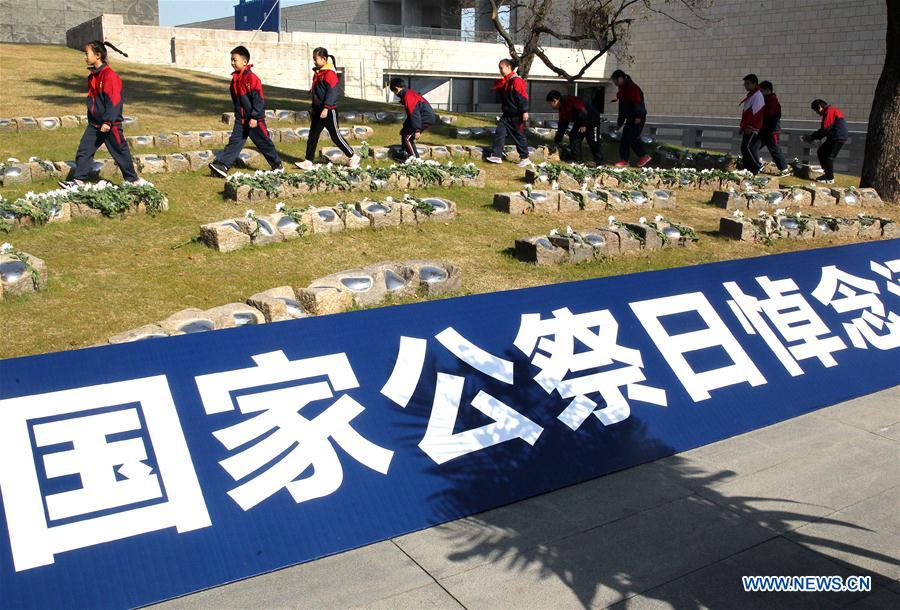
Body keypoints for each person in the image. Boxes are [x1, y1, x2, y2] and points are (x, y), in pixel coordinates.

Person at [60, 40, 143, 188]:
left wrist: (108, 122)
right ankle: (78, 181)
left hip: (110, 125)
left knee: (120, 152)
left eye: (87, 54)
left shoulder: (109, 76)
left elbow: (115, 101)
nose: (84, 57)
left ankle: (134, 180)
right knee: (84, 150)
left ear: (97, 55)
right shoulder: (93, 76)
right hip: (95, 124)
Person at [209, 45, 282, 177]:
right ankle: (223, 165)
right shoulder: (235, 79)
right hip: (241, 119)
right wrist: (239, 114)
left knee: (263, 142)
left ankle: (277, 165)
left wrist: (255, 117)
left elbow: (258, 100)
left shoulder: (252, 79)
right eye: (231, 60)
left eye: (234, 60)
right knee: (235, 142)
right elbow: (236, 100)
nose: (232, 63)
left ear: (244, 61)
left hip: (254, 119)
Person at [296, 47, 360, 170]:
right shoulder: (319, 72)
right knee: (313, 136)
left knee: (335, 136)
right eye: (313, 59)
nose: (314, 61)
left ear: (324, 59)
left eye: (316, 59)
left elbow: (332, 93)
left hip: (328, 110)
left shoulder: (330, 73)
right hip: (317, 111)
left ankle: (352, 156)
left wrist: (326, 108)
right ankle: (308, 161)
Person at [486, 59, 531, 167]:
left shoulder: (516, 81)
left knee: (519, 136)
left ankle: (525, 158)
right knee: (500, 132)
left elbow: (522, 97)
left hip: (516, 114)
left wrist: (524, 111)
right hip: (507, 114)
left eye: (501, 68)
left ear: (508, 67)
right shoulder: (507, 81)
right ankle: (497, 156)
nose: (500, 70)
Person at [546, 90, 604, 166]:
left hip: (591, 119)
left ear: (555, 101)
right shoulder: (562, 108)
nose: (551, 106)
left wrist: (583, 124)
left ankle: (600, 163)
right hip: (580, 121)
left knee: (593, 141)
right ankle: (578, 160)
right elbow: (562, 125)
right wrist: (557, 141)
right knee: (574, 137)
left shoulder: (569, 100)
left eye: (550, 103)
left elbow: (582, 110)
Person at [609, 69, 651, 168]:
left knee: (632, 137)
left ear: (621, 78)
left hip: (637, 117)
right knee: (624, 139)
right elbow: (622, 108)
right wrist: (620, 123)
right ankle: (625, 160)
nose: (615, 83)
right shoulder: (622, 89)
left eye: (616, 80)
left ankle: (644, 155)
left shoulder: (632, 88)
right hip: (630, 117)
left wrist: (638, 116)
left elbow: (638, 103)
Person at [803, 99, 849, 184]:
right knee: (821, 152)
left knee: (829, 158)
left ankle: (830, 178)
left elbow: (825, 129)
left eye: (816, 110)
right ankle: (827, 174)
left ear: (820, 107)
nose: (817, 113)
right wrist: (814, 136)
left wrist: (812, 137)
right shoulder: (831, 111)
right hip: (834, 137)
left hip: (838, 137)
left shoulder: (830, 111)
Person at [389, 77, 436, 160]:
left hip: (425, 118)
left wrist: (417, 130)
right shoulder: (408, 94)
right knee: (404, 132)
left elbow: (414, 114)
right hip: (420, 117)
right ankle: (405, 154)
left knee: (407, 138)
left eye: (395, 92)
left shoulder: (409, 96)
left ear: (397, 88)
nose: (396, 94)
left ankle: (415, 160)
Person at [759, 81, 790, 176]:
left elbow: (772, 116)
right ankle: (751, 164)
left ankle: (784, 169)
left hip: (771, 130)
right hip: (765, 129)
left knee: (774, 149)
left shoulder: (772, 101)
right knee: (754, 146)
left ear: (767, 90)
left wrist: (768, 128)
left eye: (761, 91)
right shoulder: (767, 100)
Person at [738, 73, 765, 175]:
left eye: (748, 84)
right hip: (747, 126)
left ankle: (756, 166)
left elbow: (756, 113)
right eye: (745, 84)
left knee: (748, 147)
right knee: (744, 147)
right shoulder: (752, 95)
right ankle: (747, 167)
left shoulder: (757, 95)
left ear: (754, 83)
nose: (746, 86)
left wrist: (751, 126)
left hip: (752, 127)